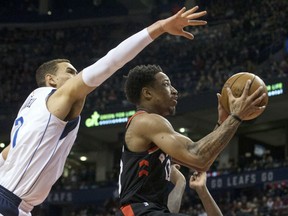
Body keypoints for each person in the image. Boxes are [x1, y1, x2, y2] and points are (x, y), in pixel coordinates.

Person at [0, 6, 208, 216]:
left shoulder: (30, 107)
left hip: (17, 204)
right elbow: (110, 62)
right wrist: (159, 27)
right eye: (70, 72)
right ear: (51, 80)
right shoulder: (57, 98)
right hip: (8, 202)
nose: (76, 76)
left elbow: (7, 154)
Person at [117, 64, 266, 215]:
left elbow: (203, 160)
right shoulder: (146, 121)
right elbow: (199, 157)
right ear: (147, 93)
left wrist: (222, 123)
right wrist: (236, 116)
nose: (175, 90)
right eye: (166, 84)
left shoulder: (155, 134)